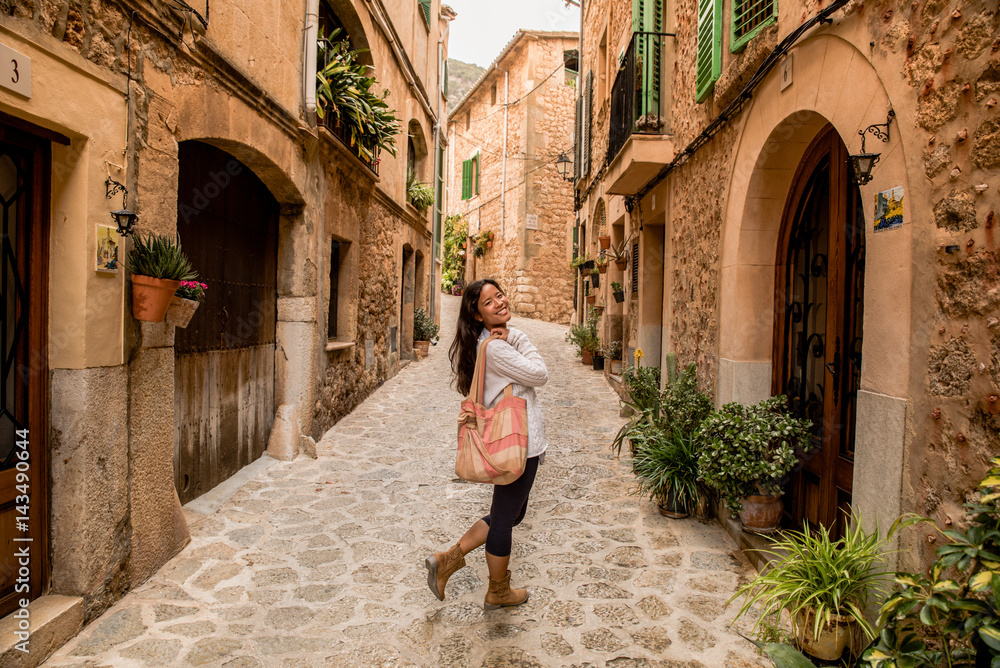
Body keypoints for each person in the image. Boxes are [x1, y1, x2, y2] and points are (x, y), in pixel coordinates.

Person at [424, 278, 549, 610]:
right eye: (489, 302)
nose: (500, 303)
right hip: (520, 444)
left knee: (510, 513)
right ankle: (497, 590)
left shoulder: (488, 342)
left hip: (518, 441)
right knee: (506, 516)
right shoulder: (496, 347)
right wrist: (517, 336)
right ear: (477, 315)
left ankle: (449, 559)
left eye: (500, 296)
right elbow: (540, 373)